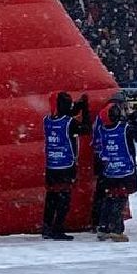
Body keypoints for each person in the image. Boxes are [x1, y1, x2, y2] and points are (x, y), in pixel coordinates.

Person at [92, 92, 137, 242]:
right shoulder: (124, 128)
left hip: (108, 168)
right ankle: (116, 229)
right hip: (123, 169)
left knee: (108, 198)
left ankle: (103, 227)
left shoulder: (104, 129)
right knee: (119, 199)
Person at [42, 91, 89, 240]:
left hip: (51, 166)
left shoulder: (47, 120)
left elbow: (65, 114)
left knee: (51, 198)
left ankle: (47, 227)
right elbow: (86, 129)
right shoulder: (69, 123)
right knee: (63, 200)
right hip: (65, 165)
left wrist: (77, 107)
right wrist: (85, 108)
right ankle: (58, 228)